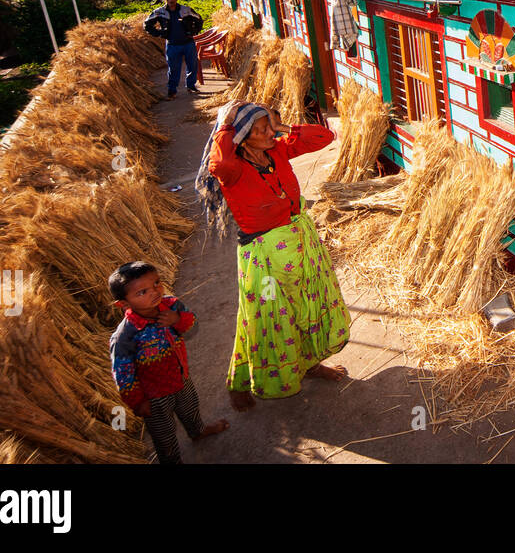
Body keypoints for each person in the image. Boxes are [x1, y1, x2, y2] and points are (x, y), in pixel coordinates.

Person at [197, 101, 350, 411]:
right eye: (260, 128)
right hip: (265, 254)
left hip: (299, 243)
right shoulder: (235, 169)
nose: (269, 132)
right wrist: (225, 126)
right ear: (241, 135)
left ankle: (310, 364)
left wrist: (282, 128)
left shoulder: (277, 150)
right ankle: (239, 383)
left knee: (306, 305)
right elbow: (220, 165)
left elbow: (324, 137)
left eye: (270, 125)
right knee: (268, 318)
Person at [108, 261, 229, 463]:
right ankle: (171, 459)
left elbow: (192, 325)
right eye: (142, 292)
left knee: (191, 409)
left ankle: (198, 431)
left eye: (156, 283)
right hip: (154, 396)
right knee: (163, 434)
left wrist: (177, 320)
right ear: (124, 304)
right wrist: (137, 401)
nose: (155, 291)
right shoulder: (124, 336)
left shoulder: (172, 305)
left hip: (181, 379)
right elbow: (122, 373)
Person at [144, 0, 204, 99]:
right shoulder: (159, 12)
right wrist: (160, 33)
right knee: (173, 68)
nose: (170, 0)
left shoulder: (186, 10)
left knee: (192, 65)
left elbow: (199, 19)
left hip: (188, 43)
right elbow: (147, 25)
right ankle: (172, 91)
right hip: (172, 44)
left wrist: (194, 31)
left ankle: (191, 86)